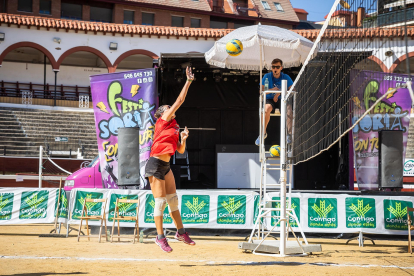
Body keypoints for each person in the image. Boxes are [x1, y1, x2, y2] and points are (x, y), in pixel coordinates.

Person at [145, 66, 195, 253]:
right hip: (155, 164)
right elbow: (180, 99)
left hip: (165, 165)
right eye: (166, 107)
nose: (170, 107)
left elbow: (180, 151)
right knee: (160, 203)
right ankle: (160, 237)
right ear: (161, 113)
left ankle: (180, 232)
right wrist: (188, 81)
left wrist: (182, 139)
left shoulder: (174, 128)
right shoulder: (163, 120)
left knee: (173, 200)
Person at [255, 58, 293, 146]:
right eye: (273, 67)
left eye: (277, 67)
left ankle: (289, 135)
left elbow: (292, 90)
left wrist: (279, 93)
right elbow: (261, 90)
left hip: (282, 99)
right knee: (266, 109)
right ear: (271, 68)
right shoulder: (267, 76)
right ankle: (263, 133)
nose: (275, 69)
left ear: (281, 68)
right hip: (269, 99)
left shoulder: (285, 77)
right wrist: (272, 90)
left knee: (289, 111)